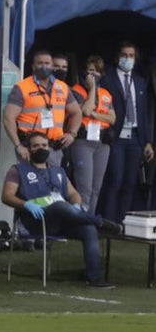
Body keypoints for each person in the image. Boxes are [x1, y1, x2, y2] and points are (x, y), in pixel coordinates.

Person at [1, 132, 124, 288]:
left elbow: (74, 194)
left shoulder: (58, 171)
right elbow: (6, 196)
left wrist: (76, 205)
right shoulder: (18, 170)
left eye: (44, 145)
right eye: (36, 146)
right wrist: (26, 204)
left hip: (65, 219)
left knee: (89, 229)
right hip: (37, 219)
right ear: (28, 149)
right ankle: (100, 222)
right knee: (59, 205)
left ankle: (94, 278)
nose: (41, 148)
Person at [99, 41, 155, 224]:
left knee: (130, 182)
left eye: (131, 56)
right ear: (117, 57)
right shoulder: (108, 79)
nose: (128, 59)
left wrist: (148, 141)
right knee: (115, 179)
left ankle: (122, 222)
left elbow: (144, 112)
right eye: (124, 55)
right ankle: (108, 221)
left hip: (136, 139)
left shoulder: (140, 81)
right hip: (116, 137)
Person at [3, 49, 81, 167]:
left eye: (47, 63)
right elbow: (8, 118)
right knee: (31, 183)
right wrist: (18, 145)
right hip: (30, 148)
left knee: (53, 183)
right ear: (33, 66)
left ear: (52, 66)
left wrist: (72, 133)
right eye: (40, 63)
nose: (44, 67)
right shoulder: (22, 87)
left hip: (54, 148)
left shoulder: (62, 87)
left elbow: (76, 112)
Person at [70, 55, 115, 217]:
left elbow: (112, 118)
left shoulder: (106, 94)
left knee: (96, 187)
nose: (93, 74)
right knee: (85, 187)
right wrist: (92, 89)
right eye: (90, 70)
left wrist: (95, 114)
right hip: (83, 142)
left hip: (102, 142)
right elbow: (86, 110)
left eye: (96, 71)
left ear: (102, 74)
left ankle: (89, 220)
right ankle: (80, 221)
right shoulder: (77, 90)